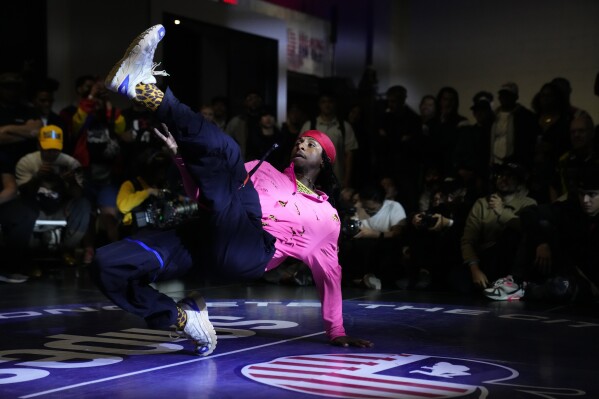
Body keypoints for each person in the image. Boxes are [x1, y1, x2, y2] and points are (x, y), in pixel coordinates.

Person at [93, 24, 373, 356]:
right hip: (213, 234)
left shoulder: (325, 215)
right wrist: (182, 159)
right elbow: (207, 196)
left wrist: (336, 330)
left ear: (325, 162)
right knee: (108, 265)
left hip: (252, 250)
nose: (301, 144)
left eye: (311, 144)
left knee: (227, 153)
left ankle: (145, 89)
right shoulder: (265, 169)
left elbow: (330, 274)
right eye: (301, 139)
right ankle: (183, 318)